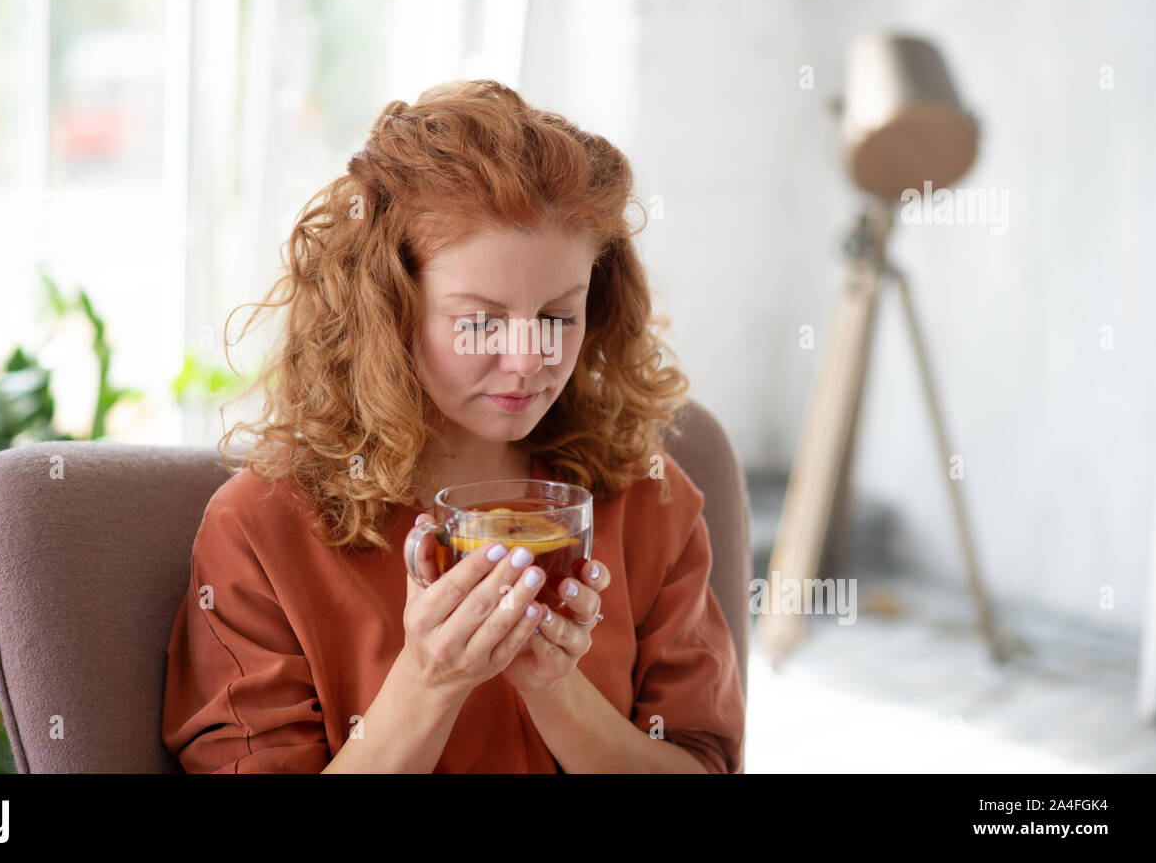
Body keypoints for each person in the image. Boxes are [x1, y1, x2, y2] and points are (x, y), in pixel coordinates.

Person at [160, 78, 746, 772]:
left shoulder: (644, 496)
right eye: (479, 321)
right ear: (387, 312)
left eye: (559, 316)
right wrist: (428, 681)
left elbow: (703, 762)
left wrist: (557, 690)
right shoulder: (261, 530)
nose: (531, 361)